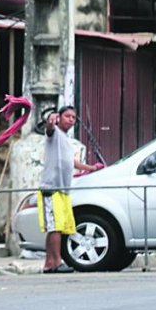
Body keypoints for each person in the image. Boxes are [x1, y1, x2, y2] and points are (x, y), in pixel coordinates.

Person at [39, 106, 104, 273]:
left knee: (58, 227)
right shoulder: (54, 134)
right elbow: (49, 128)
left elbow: (72, 163)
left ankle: (49, 264)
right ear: (59, 117)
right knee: (55, 227)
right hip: (51, 188)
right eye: (67, 116)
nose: (70, 119)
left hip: (63, 190)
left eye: (73, 117)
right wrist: (50, 120)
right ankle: (57, 262)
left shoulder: (66, 141)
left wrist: (91, 168)